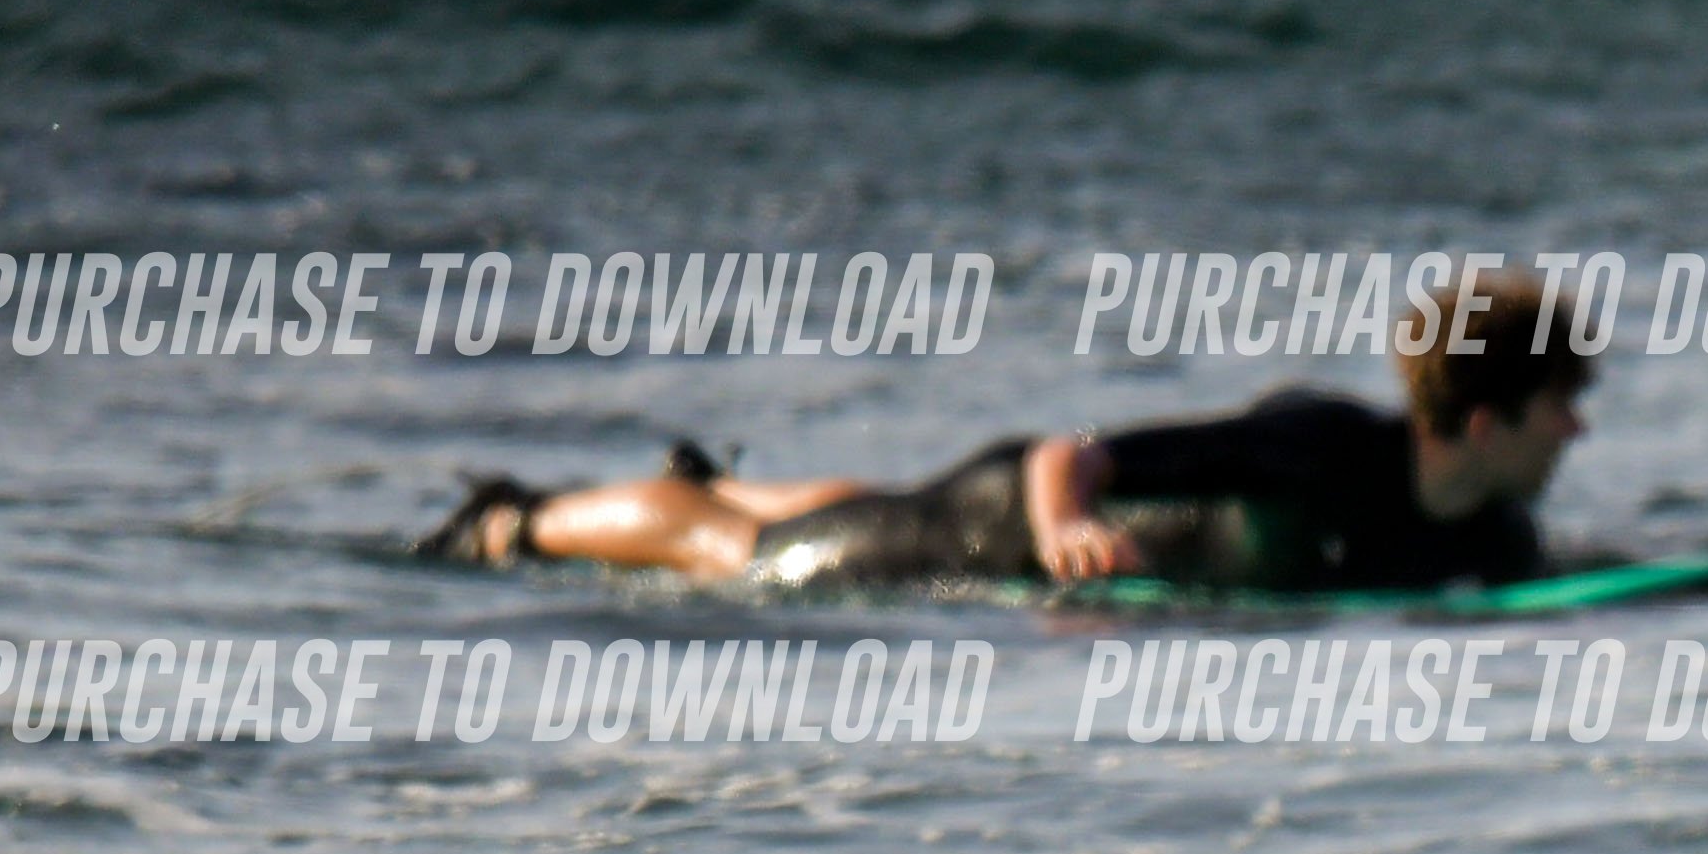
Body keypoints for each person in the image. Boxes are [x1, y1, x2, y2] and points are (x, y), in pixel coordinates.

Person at [408, 263, 1589, 592]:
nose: (1577, 431)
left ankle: (704, 475)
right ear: (1487, 419)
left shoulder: (1492, 532)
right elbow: (1074, 452)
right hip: (1005, 527)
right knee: (746, 556)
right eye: (1560, 406)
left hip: (986, 515)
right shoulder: (1321, 448)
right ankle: (522, 521)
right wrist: (1067, 528)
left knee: (870, 506)